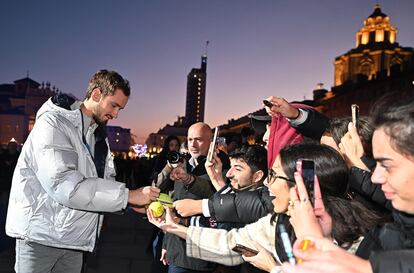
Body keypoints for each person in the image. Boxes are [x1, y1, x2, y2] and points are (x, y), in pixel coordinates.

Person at [5, 70, 160, 273]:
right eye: (114, 105)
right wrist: (128, 196)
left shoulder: (98, 136)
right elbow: (64, 184)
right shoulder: (54, 123)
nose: (115, 114)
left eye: (120, 109)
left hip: (73, 240)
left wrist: (128, 204)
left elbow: (99, 185)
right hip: (41, 239)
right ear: (96, 94)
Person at [148, 143, 382, 272]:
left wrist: (274, 269)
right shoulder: (279, 222)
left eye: (273, 175)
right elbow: (231, 243)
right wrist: (174, 228)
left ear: (302, 185)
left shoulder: (357, 238)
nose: (267, 183)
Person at [281, 94, 414, 273]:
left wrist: (310, 241)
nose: (374, 177)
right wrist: (324, 241)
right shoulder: (395, 227)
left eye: (387, 165)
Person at [160, 122, 230, 273]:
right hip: (177, 252)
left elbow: (216, 196)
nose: (193, 144)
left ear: (210, 142)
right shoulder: (182, 164)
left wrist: (188, 179)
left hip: (202, 255)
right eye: (190, 139)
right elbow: (174, 207)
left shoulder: (222, 167)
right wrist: (167, 245)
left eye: (198, 139)